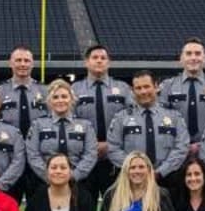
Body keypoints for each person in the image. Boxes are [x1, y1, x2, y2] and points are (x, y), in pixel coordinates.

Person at [71, 43, 133, 202]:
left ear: (109, 62)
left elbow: (132, 122)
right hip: (84, 159)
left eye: (103, 58)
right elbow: (70, 123)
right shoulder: (74, 90)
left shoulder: (123, 89)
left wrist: (110, 145)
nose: (99, 61)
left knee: (116, 207)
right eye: (95, 58)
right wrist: (91, 146)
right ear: (86, 62)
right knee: (83, 207)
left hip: (115, 159)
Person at [108, 71, 189, 183]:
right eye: (138, 88)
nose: (143, 91)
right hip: (131, 180)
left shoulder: (174, 117)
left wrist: (160, 172)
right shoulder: (121, 118)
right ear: (132, 91)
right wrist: (136, 170)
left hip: (168, 179)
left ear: (156, 87)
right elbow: (113, 148)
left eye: (146, 86)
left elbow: (181, 147)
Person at [26, 78, 97, 186]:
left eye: (64, 96)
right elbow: (33, 154)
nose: (60, 100)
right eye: (55, 97)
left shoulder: (85, 125)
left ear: (72, 99)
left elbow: (90, 154)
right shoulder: (38, 125)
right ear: (49, 101)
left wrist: (73, 176)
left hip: (78, 183)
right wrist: (49, 176)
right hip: (45, 183)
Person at [158, 38, 205, 153]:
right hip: (175, 151)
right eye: (188, 54)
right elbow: (163, 121)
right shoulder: (167, 86)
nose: (193, 58)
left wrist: (201, 145)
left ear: (204, 58)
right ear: (181, 59)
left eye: (198, 54)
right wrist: (181, 145)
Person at [0, 45, 49, 138]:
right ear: (10, 63)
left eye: (27, 60)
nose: (23, 64)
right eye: (18, 60)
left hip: (39, 145)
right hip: (9, 144)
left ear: (32, 64)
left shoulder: (46, 91)